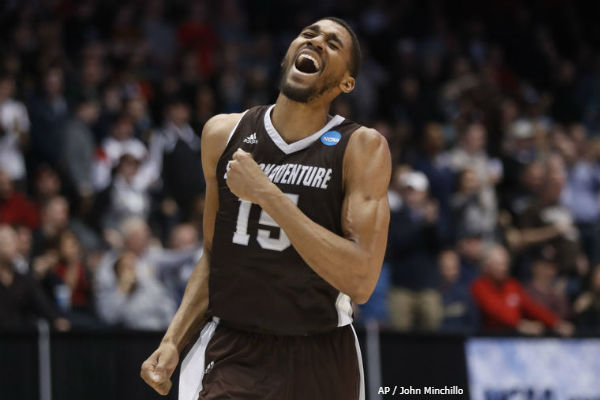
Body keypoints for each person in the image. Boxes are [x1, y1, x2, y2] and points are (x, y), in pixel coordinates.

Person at [141, 17, 391, 400]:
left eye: (333, 43)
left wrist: (268, 195)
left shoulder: (361, 148)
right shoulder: (223, 134)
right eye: (309, 34)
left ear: (346, 83)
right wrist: (174, 338)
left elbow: (361, 282)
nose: (317, 41)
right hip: (234, 351)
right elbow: (213, 256)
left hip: (322, 353)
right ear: (288, 54)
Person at [471, 244, 573, 336]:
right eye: (499, 264)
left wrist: (556, 323)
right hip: (490, 339)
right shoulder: (479, 287)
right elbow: (496, 312)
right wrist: (519, 324)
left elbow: (531, 307)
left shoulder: (512, 285)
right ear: (486, 266)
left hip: (513, 338)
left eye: (506, 264)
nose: (504, 268)